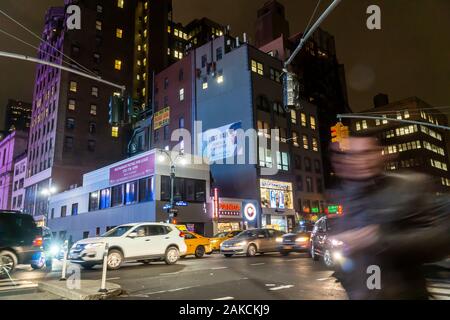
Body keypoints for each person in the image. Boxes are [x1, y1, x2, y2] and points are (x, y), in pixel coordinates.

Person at [329, 135, 450, 300]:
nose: (359, 160)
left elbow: (439, 242)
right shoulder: (341, 195)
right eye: (351, 155)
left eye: (367, 152)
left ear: (381, 154)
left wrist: (377, 239)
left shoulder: (409, 186)